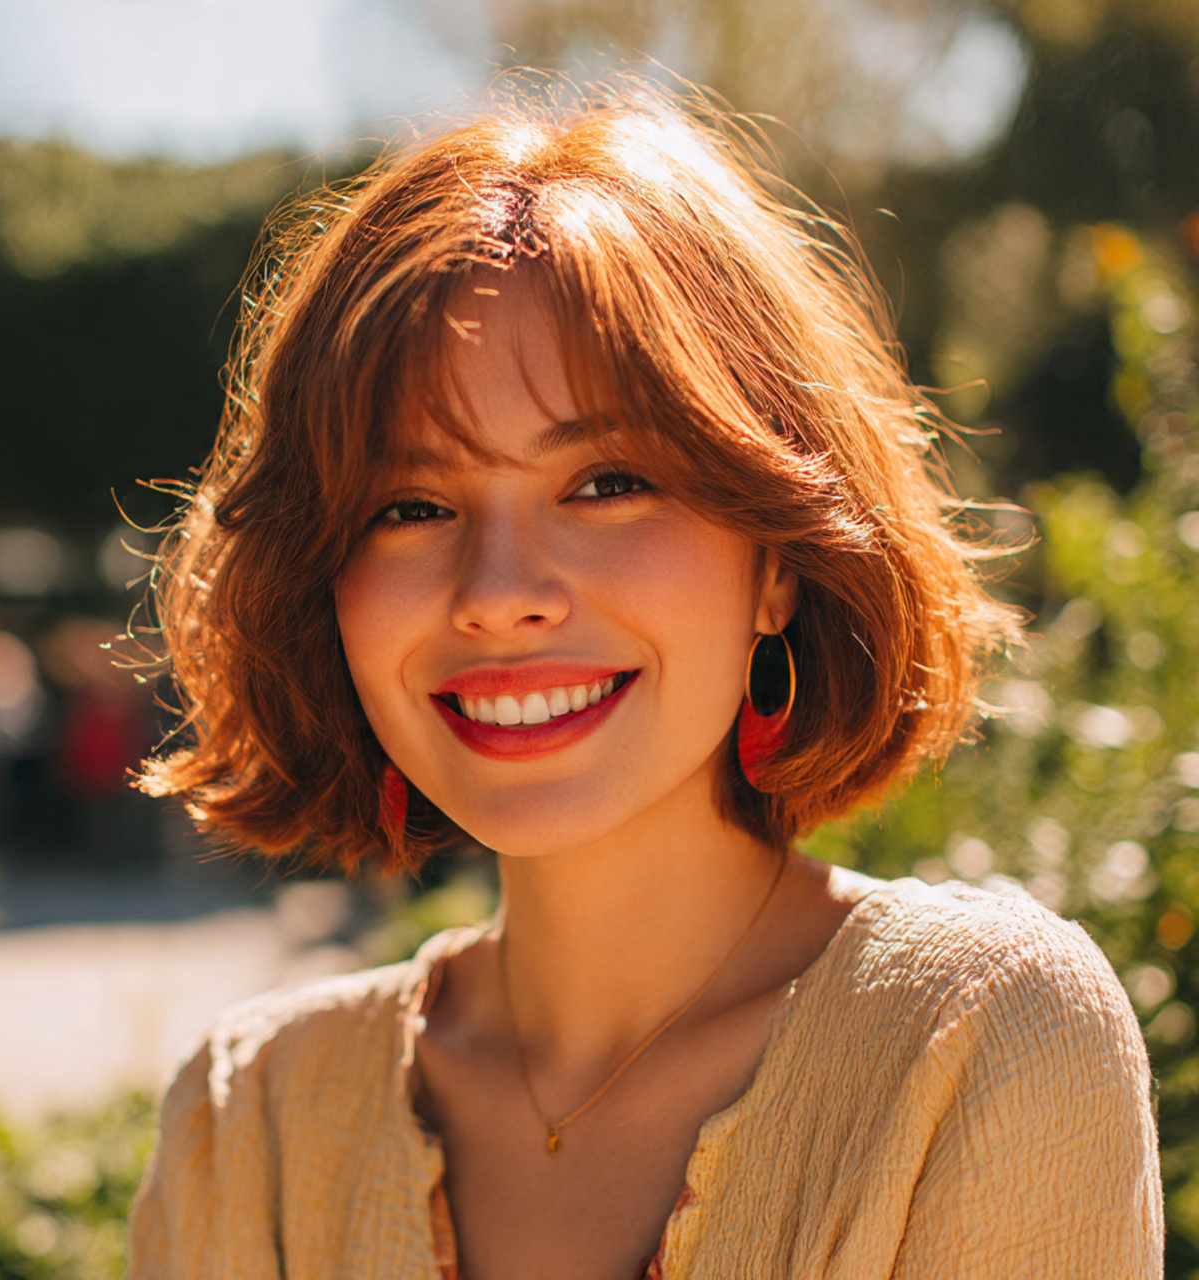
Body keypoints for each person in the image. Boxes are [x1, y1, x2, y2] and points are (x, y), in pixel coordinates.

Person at [127, 83, 1162, 1279]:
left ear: (776, 557)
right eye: (410, 505)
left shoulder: (972, 1038)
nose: (498, 589)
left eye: (607, 482)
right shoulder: (246, 1119)